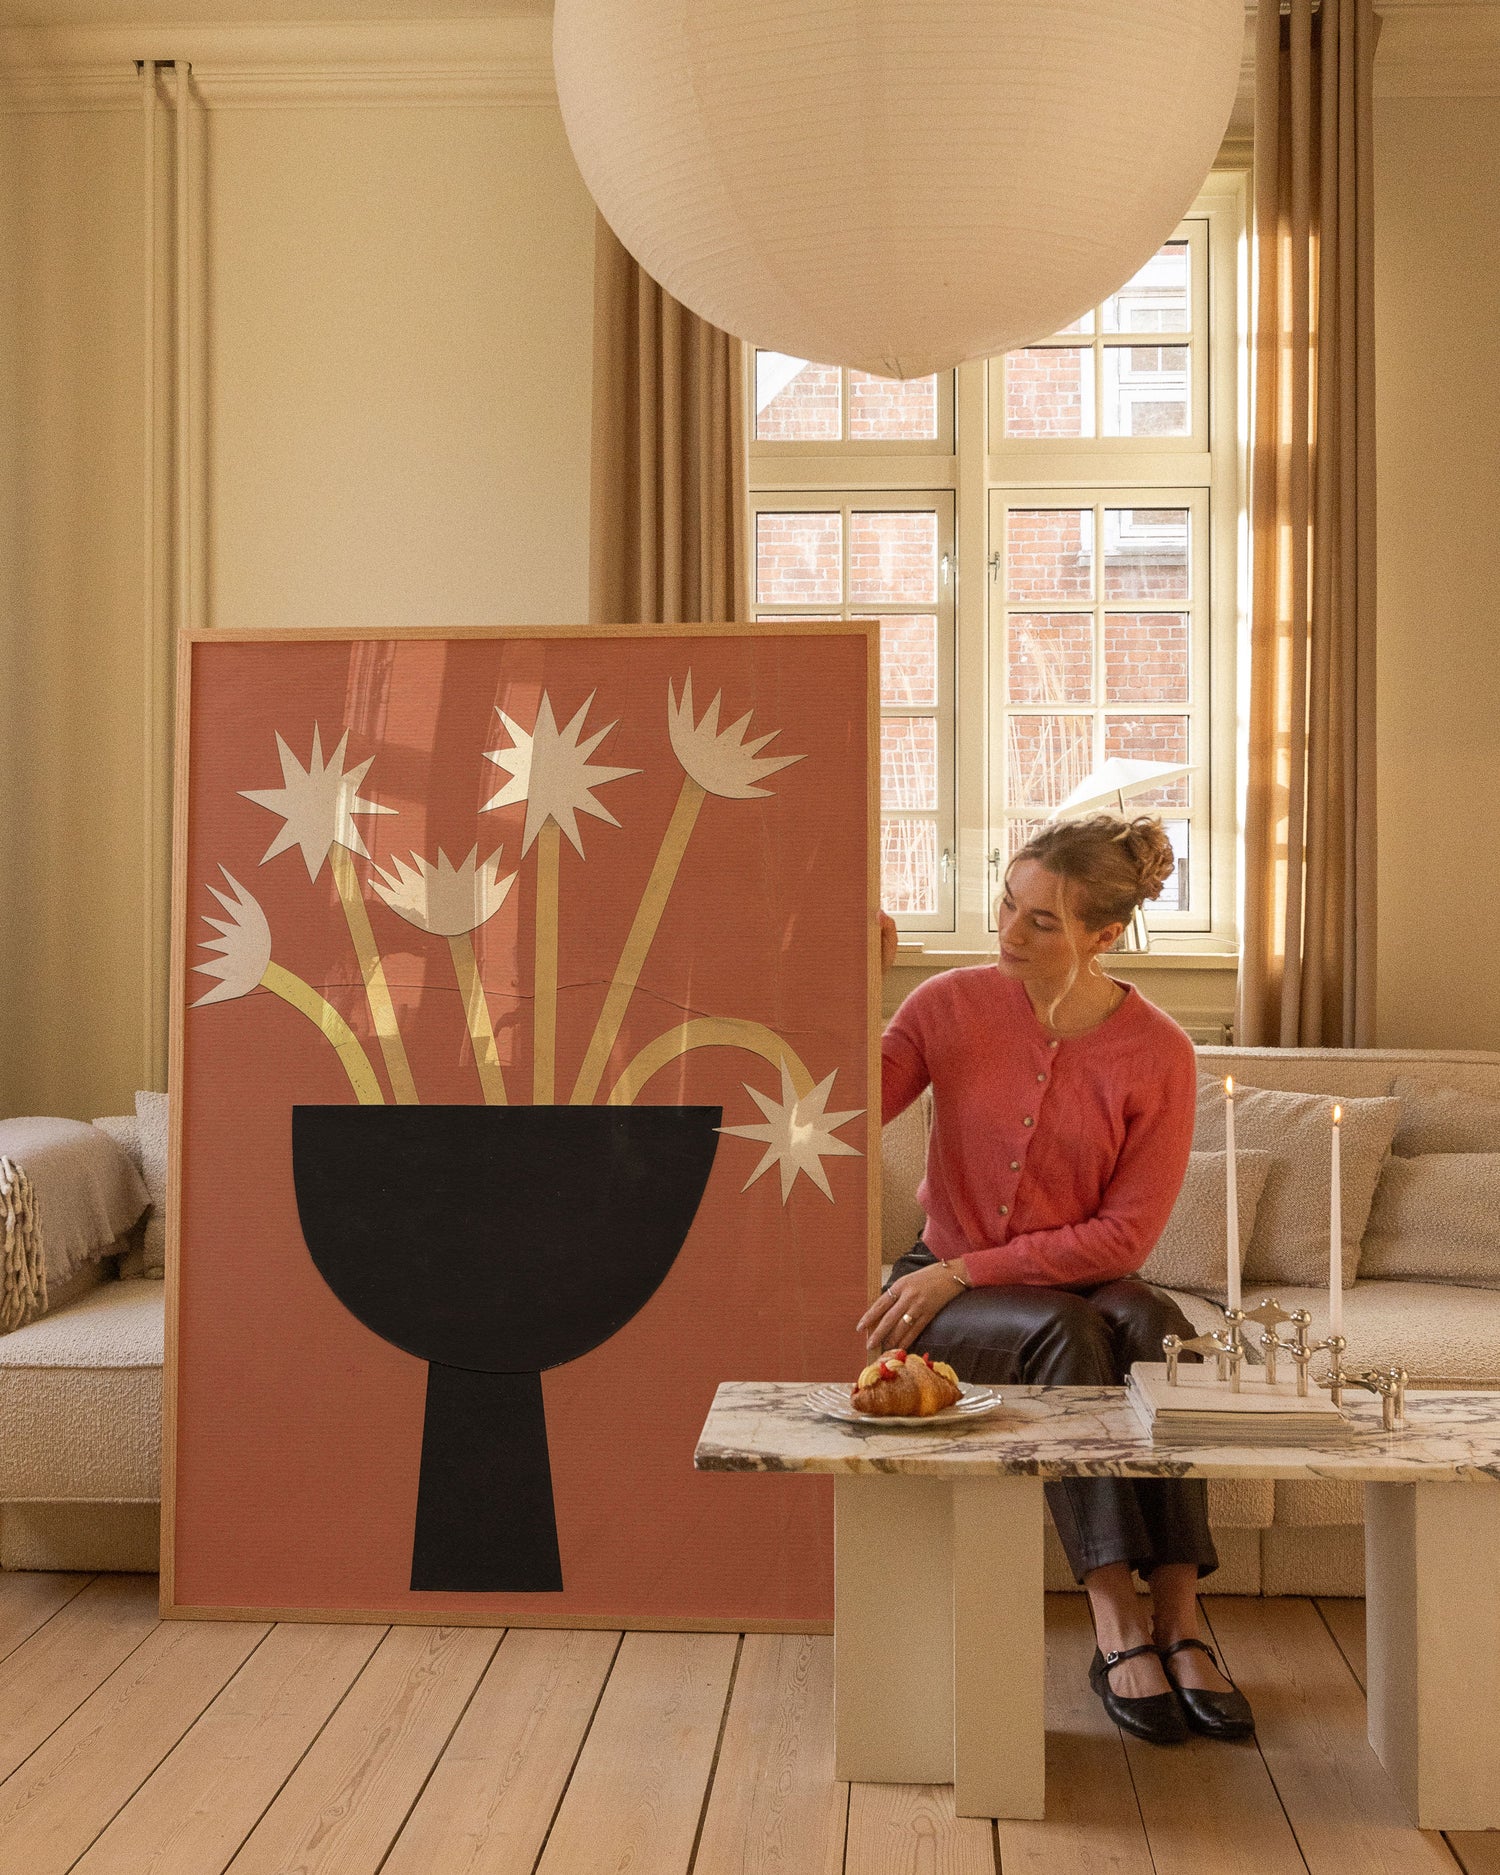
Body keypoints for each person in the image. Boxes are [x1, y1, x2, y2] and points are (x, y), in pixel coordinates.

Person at [864, 814, 1254, 1746]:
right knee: (1068, 1336)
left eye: (1041, 921)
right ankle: (1117, 1622)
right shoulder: (946, 1006)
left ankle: (1182, 1616)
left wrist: (974, 1267)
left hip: (1035, 1278)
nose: (1007, 931)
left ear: (1104, 935)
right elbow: (842, 1103)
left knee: (1159, 1323)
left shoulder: (1160, 1051)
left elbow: (1125, 1235)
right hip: (948, 1295)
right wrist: (860, 980)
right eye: (1007, 900)